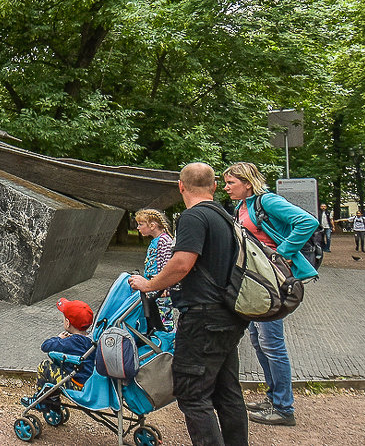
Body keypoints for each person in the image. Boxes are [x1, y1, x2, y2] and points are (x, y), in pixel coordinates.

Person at [128, 163, 249, 446]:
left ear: (181, 186)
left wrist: (149, 284)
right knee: (227, 392)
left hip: (202, 317)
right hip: (228, 314)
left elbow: (182, 263)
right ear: (215, 186)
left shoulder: (194, 217)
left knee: (193, 394)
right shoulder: (226, 216)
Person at [223, 162, 318, 428]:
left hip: (273, 281)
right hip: (257, 282)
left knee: (272, 344)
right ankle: (274, 398)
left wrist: (281, 252)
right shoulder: (243, 207)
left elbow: (307, 221)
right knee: (258, 340)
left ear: (247, 183)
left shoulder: (267, 201)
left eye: (231, 183)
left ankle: (284, 408)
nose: (227, 187)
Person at [25, 298, 95, 409]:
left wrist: (59, 338)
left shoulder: (71, 342)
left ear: (67, 323)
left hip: (76, 385)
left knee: (45, 366)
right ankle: (52, 398)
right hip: (90, 384)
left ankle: (41, 400)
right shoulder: (92, 339)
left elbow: (45, 346)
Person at [136, 209, 175, 331]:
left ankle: (166, 340)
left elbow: (167, 264)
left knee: (164, 318)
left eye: (141, 224)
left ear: (152, 225)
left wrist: (164, 285)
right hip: (154, 287)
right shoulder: (156, 240)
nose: (138, 227)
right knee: (155, 315)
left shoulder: (164, 240)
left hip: (160, 289)